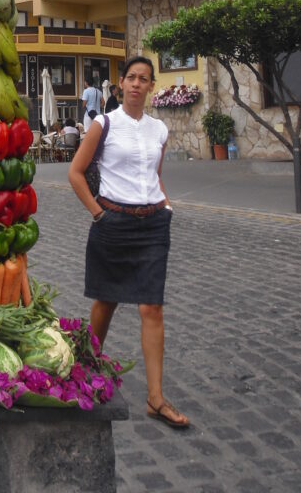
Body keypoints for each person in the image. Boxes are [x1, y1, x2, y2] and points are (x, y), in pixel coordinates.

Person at [68, 55, 189, 429]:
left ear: (152, 86)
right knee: (106, 300)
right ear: (121, 84)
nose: (137, 84)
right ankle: (85, 372)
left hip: (153, 224)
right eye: (131, 78)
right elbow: (75, 173)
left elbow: (155, 174)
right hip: (113, 220)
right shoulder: (104, 124)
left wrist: (166, 205)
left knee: (152, 308)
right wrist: (98, 213)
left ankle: (155, 398)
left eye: (144, 79)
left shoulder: (159, 131)